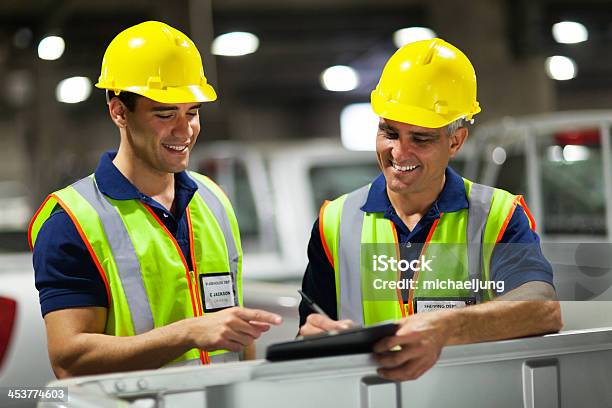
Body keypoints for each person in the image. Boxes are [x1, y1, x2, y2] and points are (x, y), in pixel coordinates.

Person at [298, 38, 562, 381]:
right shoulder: (335, 221)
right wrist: (312, 337)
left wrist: (443, 329)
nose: (398, 152)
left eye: (420, 139)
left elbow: (542, 310)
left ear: (456, 141)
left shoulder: (497, 215)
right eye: (389, 132)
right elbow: (312, 325)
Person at [29, 21, 281, 379]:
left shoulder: (212, 200)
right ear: (119, 112)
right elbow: (69, 359)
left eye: (191, 113)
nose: (184, 130)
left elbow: (232, 327)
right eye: (165, 114)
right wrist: (188, 333)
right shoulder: (72, 220)